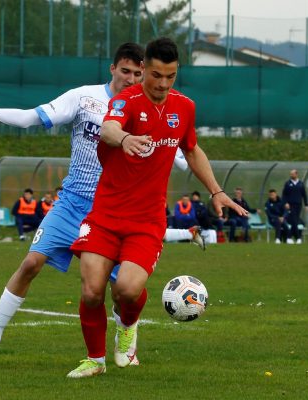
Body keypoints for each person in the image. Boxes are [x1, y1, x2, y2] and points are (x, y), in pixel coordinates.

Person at [0, 43, 145, 364]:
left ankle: (126, 332)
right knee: (29, 264)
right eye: (125, 71)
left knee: (124, 290)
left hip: (111, 213)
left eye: (138, 73)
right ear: (112, 69)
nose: (131, 79)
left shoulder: (144, 111)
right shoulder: (83, 97)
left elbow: (171, 151)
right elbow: (31, 117)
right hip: (70, 205)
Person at [66, 37, 247, 378]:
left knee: (127, 290)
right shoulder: (126, 101)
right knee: (91, 289)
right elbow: (107, 129)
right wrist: (125, 138)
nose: (163, 84)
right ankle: (95, 360)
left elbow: (192, 150)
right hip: (105, 213)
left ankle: (128, 326)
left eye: (170, 76)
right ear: (144, 69)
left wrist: (216, 191)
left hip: (147, 218)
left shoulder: (185, 107)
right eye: (155, 75)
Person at [282, 169, 308, 244]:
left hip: (298, 204)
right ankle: (297, 237)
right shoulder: (288, 183)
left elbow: (304, 195)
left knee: (295, 221)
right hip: (290, 205)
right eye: (290, 174)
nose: (291, 175)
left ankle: (290, 237)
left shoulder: (301, 184)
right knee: (294, 220)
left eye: (292, 174)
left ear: (296, 174)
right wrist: (285, 203)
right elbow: (284, 194)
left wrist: (306, 204)